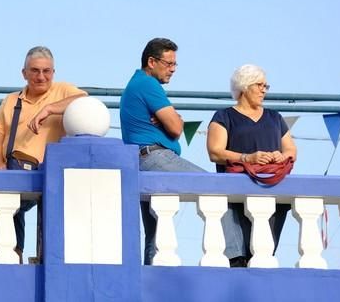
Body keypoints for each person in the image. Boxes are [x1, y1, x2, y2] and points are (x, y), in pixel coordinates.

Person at [119, 38, 242, 265]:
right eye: (169, 63)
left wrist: (171, 119)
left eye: (175, 64)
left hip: (142, 159)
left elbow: (176, 124)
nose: (173, 69)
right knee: (216, 188)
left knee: (155, 226)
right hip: (156, 156)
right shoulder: (148, 84)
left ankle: (152, 276)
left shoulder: (136, 84)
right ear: (151, 62)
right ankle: (235, 257)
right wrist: (173, 120)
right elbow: (177, 128)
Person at [0, 46, 87, 259]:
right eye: (34, 70)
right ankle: (15, 257)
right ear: (24, 73)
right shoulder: (12, 100)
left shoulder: (62, 90)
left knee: (51, 222)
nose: (41, 76)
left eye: (46, 71)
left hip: (49, 172)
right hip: (16, 170)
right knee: (4, 211)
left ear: (53, 72)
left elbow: (85, 102)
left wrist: (50, 109)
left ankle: (44, 259)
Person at [206, 64, 297, 267]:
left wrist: (281, 156)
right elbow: (215, 152)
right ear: (245, 86)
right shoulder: (224, 116)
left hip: (272, 190)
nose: (264, 90)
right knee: (238, 259)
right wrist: (248, 158)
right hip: (235, 197)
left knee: (263, 257)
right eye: (260, 85)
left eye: (266, 85)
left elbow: (291, 150)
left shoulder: (275, 117)